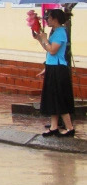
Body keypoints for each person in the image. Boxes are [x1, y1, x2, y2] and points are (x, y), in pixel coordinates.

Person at [36, 9, 75, 137]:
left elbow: (52, 50)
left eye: (49, 17)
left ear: (55, 19)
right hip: (52, 67)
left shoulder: (61, 32)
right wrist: (40, 39)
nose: (47, 20)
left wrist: (45, 40)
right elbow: (48, 50)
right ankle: (53, 126)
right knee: (53, 98)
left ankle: (69, 127)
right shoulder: (55, 32)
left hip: (59, 69)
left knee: (59, 97)